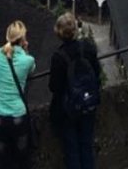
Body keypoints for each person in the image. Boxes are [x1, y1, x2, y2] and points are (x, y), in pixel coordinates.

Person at [49, 11, 101, 169]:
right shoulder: (88, 47)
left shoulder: (59, 56)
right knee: (87, 145)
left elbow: (54, 87)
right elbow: (97, 72)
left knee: (72, 150)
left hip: (69, 109)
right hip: (88, 102)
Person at [0, 20, 37, 169]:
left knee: (4, 162)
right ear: (23, 39)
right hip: (17, 117)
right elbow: (31, 72)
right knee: (22, 160)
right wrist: (25, 50)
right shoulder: (28, 60)